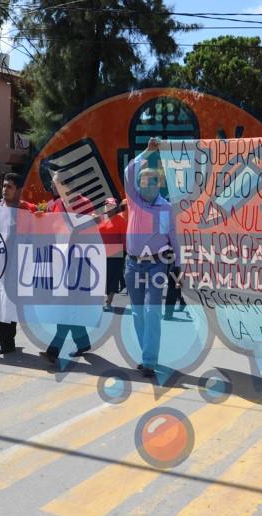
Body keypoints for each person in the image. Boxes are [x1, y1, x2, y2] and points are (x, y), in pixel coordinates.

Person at [123, 137, 180, 378]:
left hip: (157, 264)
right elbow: (129, 170)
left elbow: (173, 237)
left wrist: (178, 265)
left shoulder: (166, 208)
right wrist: (147, 151)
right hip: (133, 264)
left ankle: (148, 360)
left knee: (152, 310)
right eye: (142, 181)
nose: (145, 185)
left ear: (159, 185)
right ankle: (147, 353)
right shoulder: (134, 201)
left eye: (150, 182)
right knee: (137, 312)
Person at [0, 173, 36, 355]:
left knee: (11, 304)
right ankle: (7, 336)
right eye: (3, 186)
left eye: (9, 186)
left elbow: (48, 226)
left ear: (19, 190)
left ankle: (6, 342)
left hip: (20, 265)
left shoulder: (29, 210)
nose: (4, 190)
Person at [41, 172, 93, 363]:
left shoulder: (84, 203)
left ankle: (54, 349)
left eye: (55, 183)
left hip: (78, 263)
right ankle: (83, 342)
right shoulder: (54, 204)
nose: (53, 187)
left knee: (66, 307)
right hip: (59, 261)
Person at [97, 197, 127, 312]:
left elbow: (124, 239)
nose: (109, 208)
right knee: (101, 278)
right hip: (100, 253)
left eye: (111, 206)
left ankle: (108, 302)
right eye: (107, 206)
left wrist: (125, 251)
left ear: (115, 207)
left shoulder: (120, 220)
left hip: (116, 253)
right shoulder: (100, 219)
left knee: (113, 278)